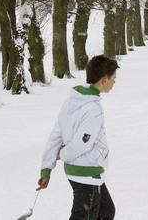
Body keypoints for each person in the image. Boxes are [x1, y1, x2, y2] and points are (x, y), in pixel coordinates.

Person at [37, 55, 119, 220]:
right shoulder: (93, 109)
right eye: (113, 79)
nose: (114, 83)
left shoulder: (71, 101)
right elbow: (83, 143)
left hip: (86, 172)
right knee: (85, 216)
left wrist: (46, 168)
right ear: (104, 80)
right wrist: (62, 155)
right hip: (86, 172)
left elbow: (56, 135)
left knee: (106, 211)